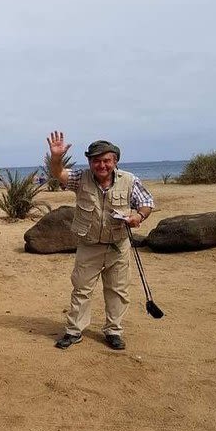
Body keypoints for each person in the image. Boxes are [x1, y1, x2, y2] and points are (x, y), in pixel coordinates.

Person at [47, 131, 155, 351]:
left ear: (115, 161)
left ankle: (113, 331)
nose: (102, 165)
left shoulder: (130, 180)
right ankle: (74, 331)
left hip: (119, 246)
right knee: (81, 289)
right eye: (96, 160)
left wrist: (139, 216)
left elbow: (147, 202)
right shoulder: (80, 179)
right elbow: (58, 173)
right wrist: (56, 157)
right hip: (89, 246)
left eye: (107, 160)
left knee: (117, 290)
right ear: (90, 162)